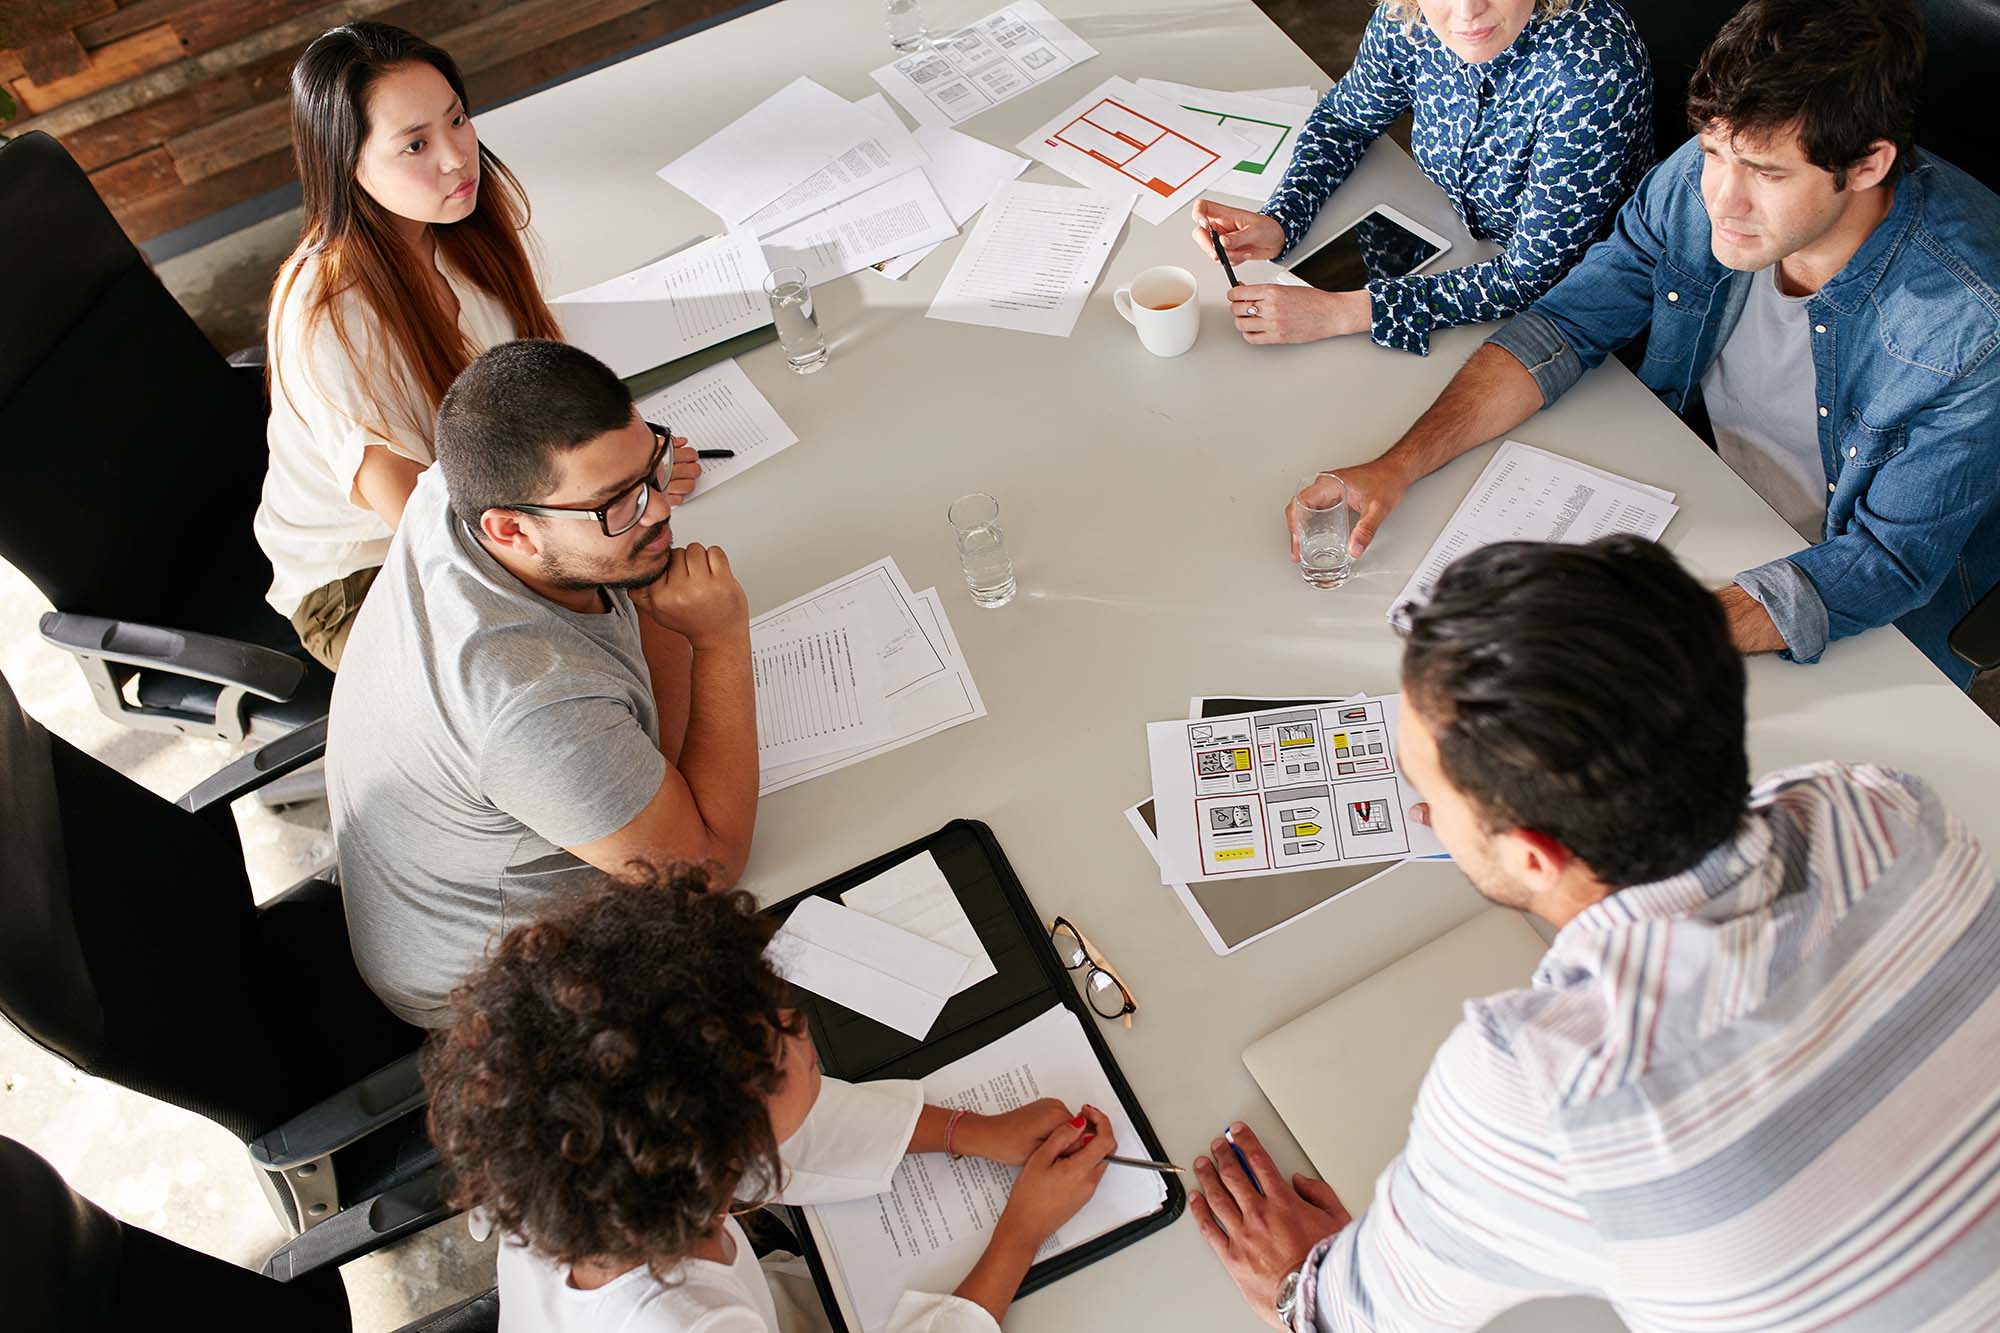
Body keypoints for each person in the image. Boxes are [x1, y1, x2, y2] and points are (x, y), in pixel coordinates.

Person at [1189, 535, 2000, 1330]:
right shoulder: (1880, 806)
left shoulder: (1539, 1092)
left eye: (1427, 790)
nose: (1421, 814)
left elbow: (1358, 1319)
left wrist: (1303, 1288)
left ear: (1535, 855)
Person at [1292, 0, 2000, 687]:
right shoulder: (1700, 175)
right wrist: (1397, 465)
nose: (1721, 199)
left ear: (1870, 164)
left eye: (1768, 173)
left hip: (1849, 598)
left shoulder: (1970, 322)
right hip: (1702, 494)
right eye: (1718, 152)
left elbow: (1887, 563)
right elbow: (1566, 324)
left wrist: (1642, 634)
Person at [424, 868, 1119, 1333]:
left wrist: (970, 1130)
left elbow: (789, 1129)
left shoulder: (591, 1174)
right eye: (774, 1049)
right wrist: (1019, 1234)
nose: (800, 1024)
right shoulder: (690, 1323)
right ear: (725, 1142)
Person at [327, 339, 746, 1027]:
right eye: (614, 503)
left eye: (652, 467)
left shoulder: (456, 483)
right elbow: (707, 878)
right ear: (509, 529)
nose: (660, 512)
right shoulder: (527, 700)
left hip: (445, 878)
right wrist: (720, 641)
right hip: (497, 995)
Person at [252, 23, 693, 669]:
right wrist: (602, 516)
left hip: (494, 506)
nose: (458, 157)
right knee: (607, 658)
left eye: (457, 119)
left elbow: (539, 388)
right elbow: (421, 529)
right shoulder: (328, 316)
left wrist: (630, 478)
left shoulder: (454, 223)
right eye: (415, 145)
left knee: (661, 600)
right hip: (367, 578)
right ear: (349, 164)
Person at [1193, 0, 1653, 356]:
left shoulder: (1592, 69)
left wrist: (1341, 312)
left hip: (1577, 304)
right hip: (1460, 246)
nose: (1468, 14)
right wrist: (1282, 218)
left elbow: (1528, 277)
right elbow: (1345, 121)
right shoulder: (1408, 17)